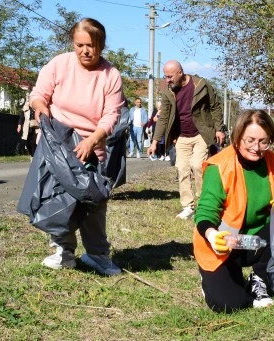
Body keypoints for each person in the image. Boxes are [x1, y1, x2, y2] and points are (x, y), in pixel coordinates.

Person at [29, 18, 124, 276]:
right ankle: (64, 252)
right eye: (79, 45)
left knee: (93, 203)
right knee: (58, 200)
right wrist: (40, 108)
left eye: (91, 45)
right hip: (57, 145)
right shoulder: (59, 64)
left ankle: (97, 255)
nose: (85, 51)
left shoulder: (110, 75)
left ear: (101, 45)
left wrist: (93, 140)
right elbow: (39, 94)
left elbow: (111, 115)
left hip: (91, 145)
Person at [193, 109, 274, 313]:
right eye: (249, 140)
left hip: (255, 242)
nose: (256, 147)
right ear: (237, 137)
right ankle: (217, 274)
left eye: (263, 141)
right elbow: (205, 213)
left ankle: (259, 278)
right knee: (230, 303)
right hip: (223, 243)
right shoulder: (220, 166)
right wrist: (212, 234)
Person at [147, 60, 225, 219]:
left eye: (170, 76)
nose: (167, 80)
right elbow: (163, 118)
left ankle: (204, 203)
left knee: (197, 165)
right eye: (165, 76)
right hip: (181, 136)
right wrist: (154, 142)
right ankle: (188, 206)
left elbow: (215, 106)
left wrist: (219, 129)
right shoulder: (168, 91)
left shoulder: (201, 85)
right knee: (182, 168)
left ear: (180, 73)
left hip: (201, 134)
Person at [16, 92, 39, 157]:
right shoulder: (25, 107)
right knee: (26, 142)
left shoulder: (37, 106)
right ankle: (32, 154)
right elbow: (22, 117)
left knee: (34, 143)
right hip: (27, 127)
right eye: (29, 98)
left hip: (36, 127)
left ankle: (34, 157)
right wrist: (19, 126)